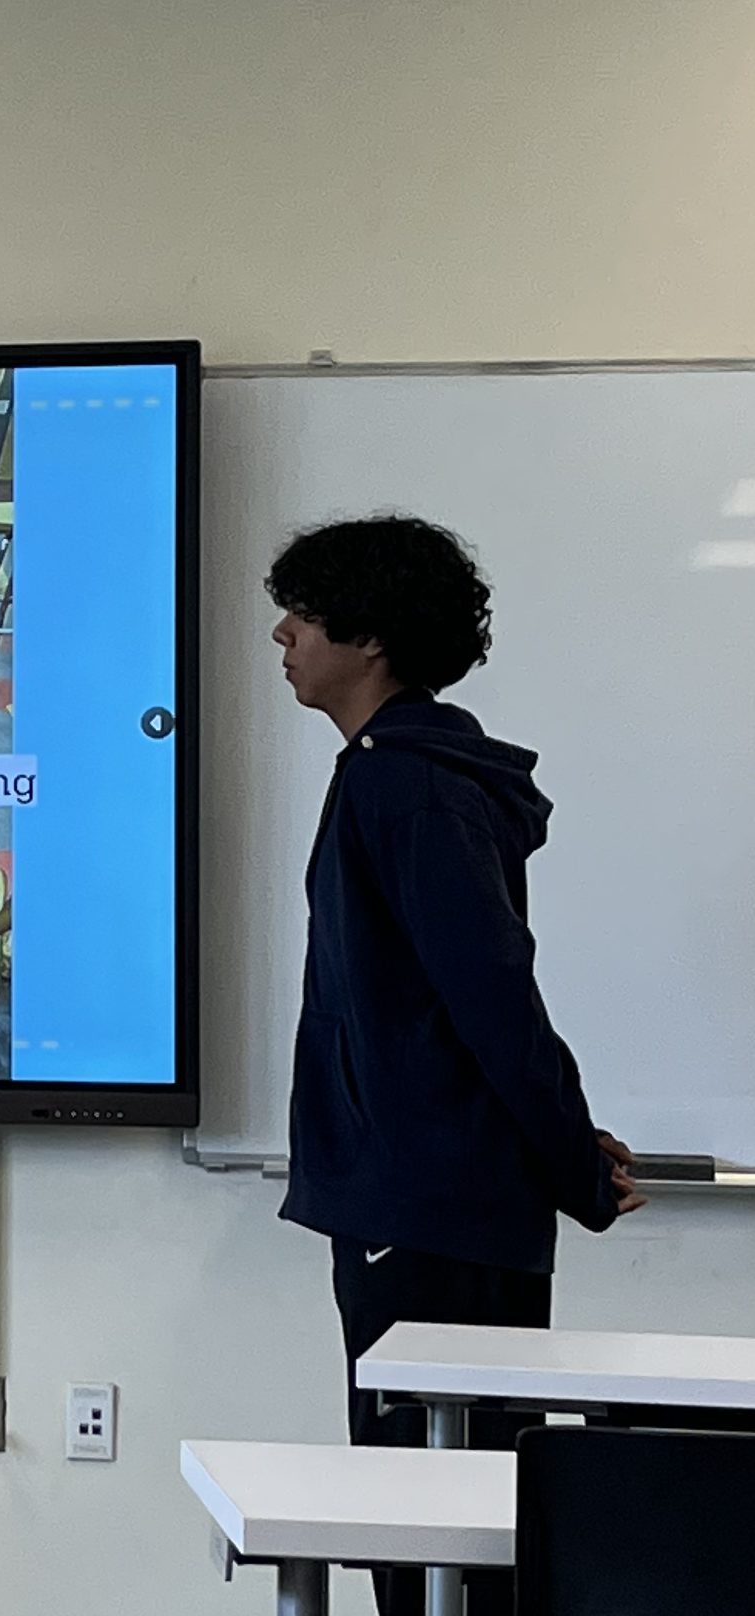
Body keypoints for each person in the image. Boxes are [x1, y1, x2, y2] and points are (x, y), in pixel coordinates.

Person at [265, 514, 642, 1616]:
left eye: (304, 615)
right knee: (438, 1522)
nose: (281, 635)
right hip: (428, 1195)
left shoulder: (406, 786)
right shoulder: (397, 773)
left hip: (428, 1209)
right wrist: (563, 1151)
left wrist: (572, 1161)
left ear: (370, 637)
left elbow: (493, 1000)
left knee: (439, 1535)